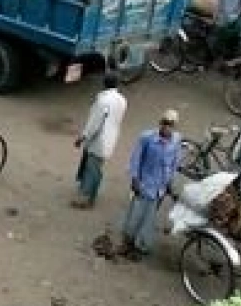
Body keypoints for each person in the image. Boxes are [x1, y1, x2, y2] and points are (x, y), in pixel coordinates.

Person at [119, 110, 182, 260]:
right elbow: (136, 159)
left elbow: (174, 163)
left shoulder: (176, 141)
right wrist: (135, 179)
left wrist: (170, 184)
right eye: (165, 123)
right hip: (144, 184)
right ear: (160, 123)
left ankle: (141, 245)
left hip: (160, 188)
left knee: (149, 218)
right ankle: (128, 241)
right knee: (136, 214)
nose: (167, 127)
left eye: (170, 124)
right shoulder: (147, 138)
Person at [74, 73, 127, 209]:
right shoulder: (122, 100)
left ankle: (85, 199)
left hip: (99, 140)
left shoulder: (103, 100)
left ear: (104, 84)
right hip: (111, 139)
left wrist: (82, 137)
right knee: (97, 169)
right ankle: (92, 197)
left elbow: (94, 124)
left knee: (92, 170)